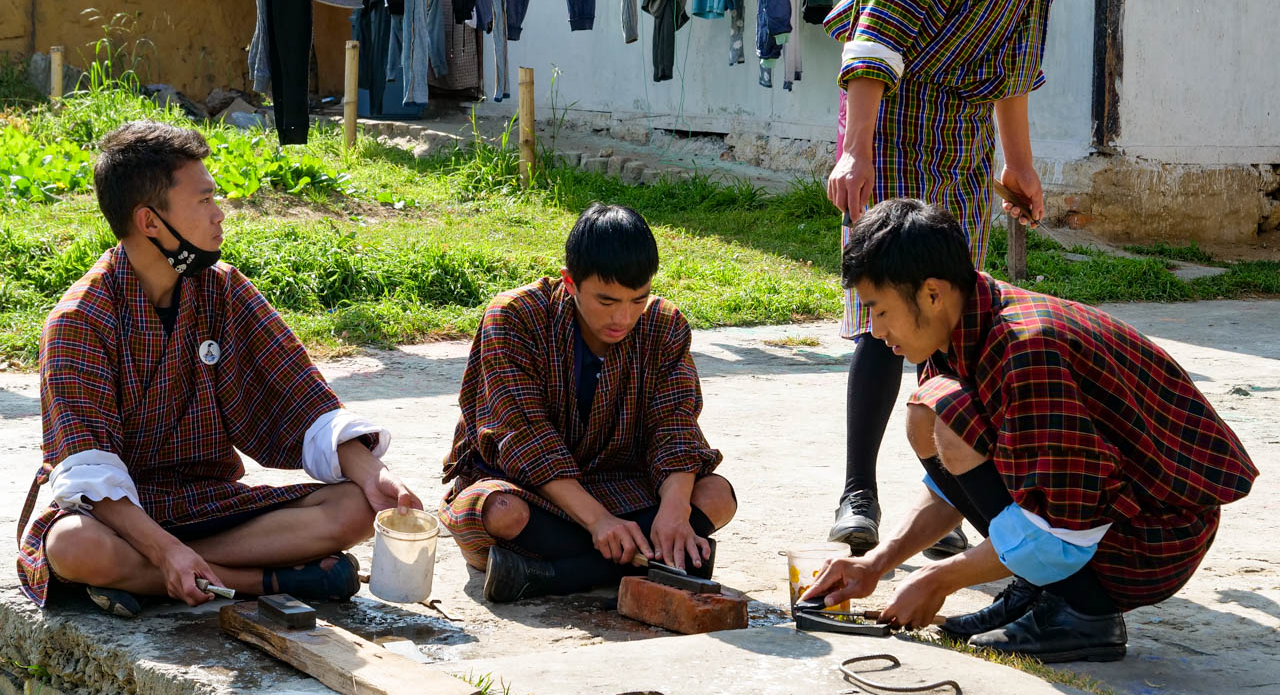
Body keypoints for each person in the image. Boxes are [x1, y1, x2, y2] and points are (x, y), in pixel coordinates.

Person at [822, 0, 1146, 554]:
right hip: (897, 126)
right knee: (889, 314)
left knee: (952, 321)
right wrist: (854, 147)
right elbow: (877, 36)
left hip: (964, 143)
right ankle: (857, 491)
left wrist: (1019, 165)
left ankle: (950, 494)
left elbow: (1014, 64)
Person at [803, 199, 1257, 661]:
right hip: (1110, 510)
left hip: (1157, 535)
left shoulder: (1026, 351)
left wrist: (937, 579)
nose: (876, 332)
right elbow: (954, 486)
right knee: (932, 414)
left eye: (880, 312)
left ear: (932, 294)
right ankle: (1043, 590)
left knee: (942, 413)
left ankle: (1084, 614)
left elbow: (1062, 529)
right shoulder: (958, 323)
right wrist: (877, 563)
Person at [17, 122, 421, 617]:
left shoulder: (222, 290)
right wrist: (163, 549)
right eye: (204, 200)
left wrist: (372, 474)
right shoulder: (80, 320)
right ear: (150, 222)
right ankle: (261, 579)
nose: (219, 214)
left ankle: (153, 580)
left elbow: (296, 391)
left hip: (209, 503)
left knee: (354, 508)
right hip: (119, 518)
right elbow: (89, 476)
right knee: (73, 546)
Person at [440, 203, 737, 603]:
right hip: (531, 490)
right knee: (499, 512)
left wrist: (674, 512)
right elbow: (525, 438)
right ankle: (659, 562)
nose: (624, 317)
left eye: (638, 300)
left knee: (716, 497)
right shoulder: (514, 317)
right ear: (569, 282)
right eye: (607, 301)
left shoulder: (664, 324)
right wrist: (598, 521)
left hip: (620, 484)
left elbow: (675, 425)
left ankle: (549, 575)